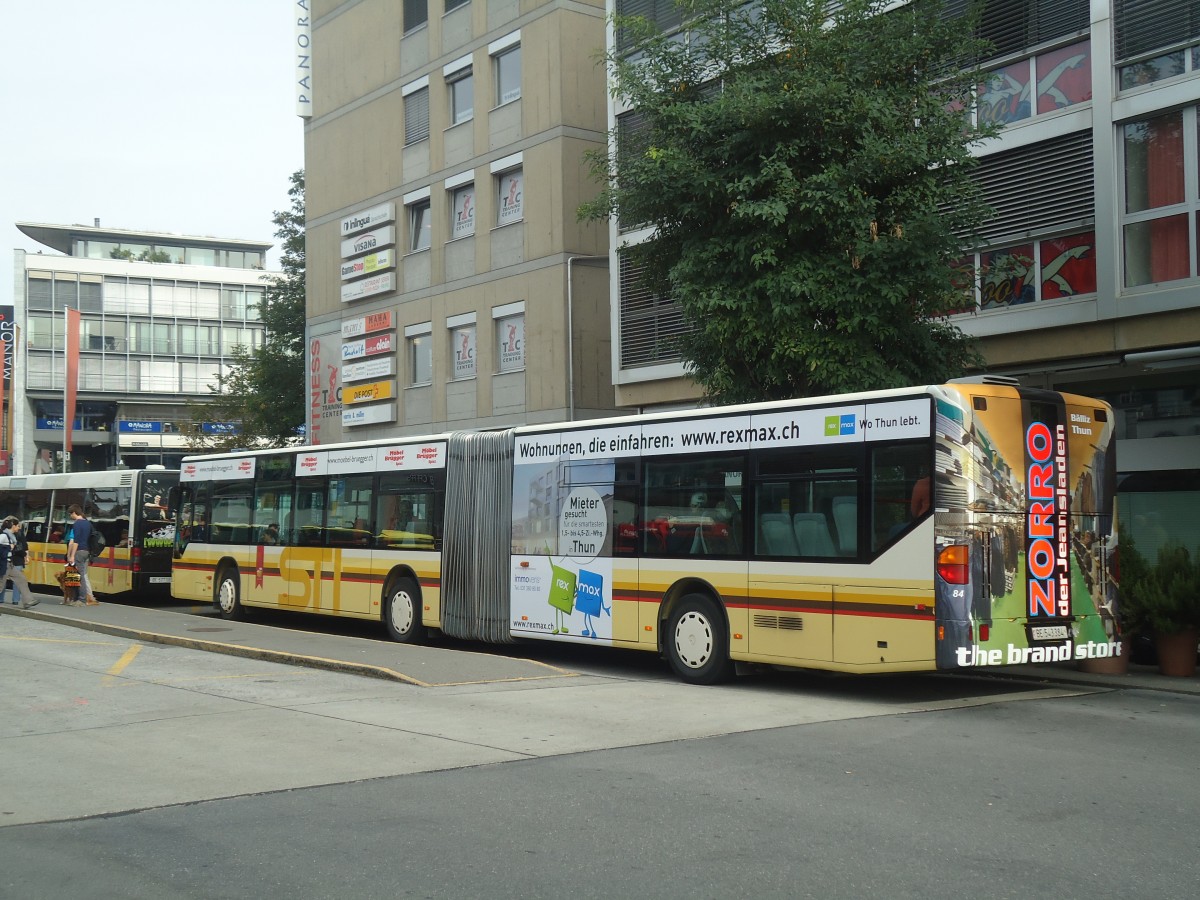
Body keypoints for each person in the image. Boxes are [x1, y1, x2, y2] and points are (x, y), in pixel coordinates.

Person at [0, 517, 39, 609]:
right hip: (4, 564)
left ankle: (28, 601)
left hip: (9, 564)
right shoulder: (4, 536)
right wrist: (9, 547)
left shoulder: (11, 536)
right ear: (13, 526)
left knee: (21, 579)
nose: (19, 528)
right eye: (17, 526)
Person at [66, 504, 98, 606]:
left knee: (78, 576)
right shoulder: (87, 523)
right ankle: (76, 599)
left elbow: (76, 541)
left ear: (74, 513)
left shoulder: (77, 524)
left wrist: (71, 555)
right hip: (86, 551)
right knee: (79, 575)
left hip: (79, 551)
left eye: (71, 514)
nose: (70, 516)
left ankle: (81, 599)